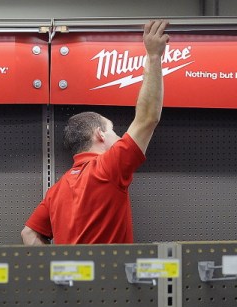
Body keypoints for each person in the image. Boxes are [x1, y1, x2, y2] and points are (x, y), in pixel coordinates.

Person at [21, 20, 170, 245]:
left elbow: (28, 234)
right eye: (113, 131)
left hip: (68, 280)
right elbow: (148, 118)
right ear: (99, 134)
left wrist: (56, 267)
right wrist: (154, 56)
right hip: (110, 279)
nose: (119, 137)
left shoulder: (57, 189)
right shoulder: (107, 168)